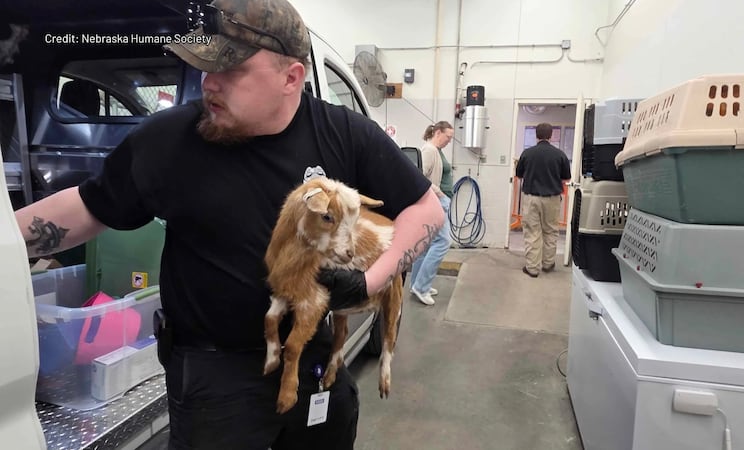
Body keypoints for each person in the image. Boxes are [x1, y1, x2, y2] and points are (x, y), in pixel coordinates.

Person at [14, 0, 444, 448]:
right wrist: (7, 240)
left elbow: (426, 209)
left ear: (291, 78)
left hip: (311, 363)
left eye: (231, 70)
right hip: (212, 379)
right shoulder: (169, 141)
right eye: (205, 66)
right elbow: (87, 207)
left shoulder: (343, 134)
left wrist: (370, 278)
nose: (209, 83)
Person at [515, 122, 571, 278]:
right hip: (552, 199)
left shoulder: (527, 153)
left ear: (536, 135)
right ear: (551, 135)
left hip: (531, 198)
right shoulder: (560, 155)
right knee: (551, 231)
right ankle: (548, 264)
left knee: (532, 232)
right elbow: (566, 178)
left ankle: (532, 268)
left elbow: (519, 175)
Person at [408, 121, 454, 306]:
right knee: (443, 242)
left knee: (426, 245)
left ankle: (416, 284)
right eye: (448, 136)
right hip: (435, 201)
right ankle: (421, 286)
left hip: (438, 201)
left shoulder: (436, 150)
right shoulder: (429, 150)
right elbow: (418, 176)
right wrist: (440, 193)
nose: (449, 141)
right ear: (437, 133)